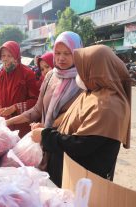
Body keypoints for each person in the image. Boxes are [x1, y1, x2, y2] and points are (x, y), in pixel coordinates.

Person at [31, 45, 131, 188]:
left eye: (83, 68)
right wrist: (48, 129)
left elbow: (81, 145)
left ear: (97, 71)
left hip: (84, 182)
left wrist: (46, 136)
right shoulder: (92, 93)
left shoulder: (108, 105)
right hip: (69, 175)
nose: (79, 74)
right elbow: (73, 124)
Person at [6, 32, 83, 184]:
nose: (61, 58)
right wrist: (6, 122)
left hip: (66, 148)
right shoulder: (50, 76)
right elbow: (36, 110)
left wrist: (47, 127)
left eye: (67, 53)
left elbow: (76, 116)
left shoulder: (83, 81)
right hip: (43, 145)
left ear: (78, 53)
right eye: (58, 53)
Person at [0, 41, 41, 137]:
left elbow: (36, 101)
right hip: (4, 122)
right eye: (3, 56)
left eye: (10, 56)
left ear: (17, 57)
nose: (6, 59)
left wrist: (15, 107)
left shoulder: (27, 74)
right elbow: (2, 94)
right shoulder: (1, 74)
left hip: (21, 124)